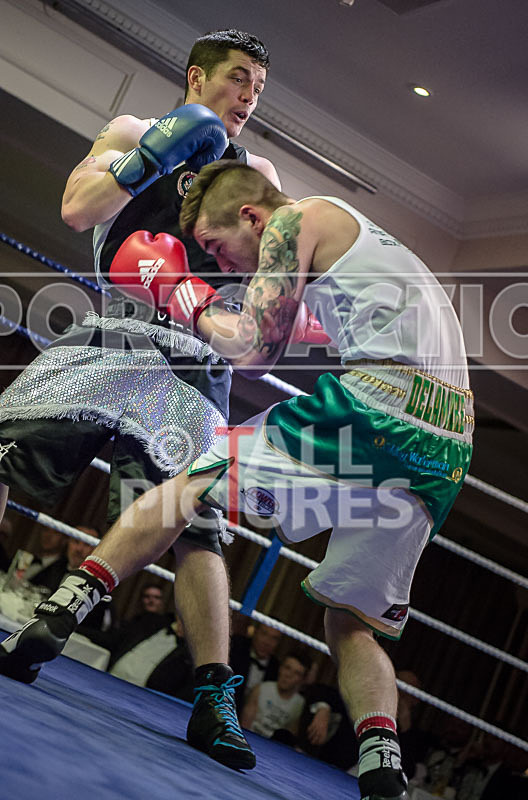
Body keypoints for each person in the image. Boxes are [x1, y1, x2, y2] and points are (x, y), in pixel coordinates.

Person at [0, 159, 474, 800]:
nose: (230, 264)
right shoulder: (362, 239)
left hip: (381, 408)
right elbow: (301, 323)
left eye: (221, 247)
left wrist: (180, 294)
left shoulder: (293, 218)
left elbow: (254, 349)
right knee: (351, 621)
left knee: (191, 482)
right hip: (446, 448)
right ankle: (382, 760)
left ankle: (60, 613)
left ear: (251, 216)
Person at [0, 30, 281, 771]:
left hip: (193, 358)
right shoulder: (131, 130)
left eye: (259, 87)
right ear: (197, 77)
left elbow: (268, 281)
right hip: (117, 331)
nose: (250, 97)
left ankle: (214, 696)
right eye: (239, 79)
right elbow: (77, 211)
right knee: (6, 446)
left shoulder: (259, 171)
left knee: (199, 530)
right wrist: (154, 155)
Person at [108, 612, 194, 702]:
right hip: (108, 678)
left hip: (138, 700)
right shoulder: (150, 622)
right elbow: (113, 640)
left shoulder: (192, 656)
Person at [240, 651, 309, 741]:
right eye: (287, 668)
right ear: (280, 668)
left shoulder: (300, 704)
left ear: (302, 680)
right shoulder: (261, 689)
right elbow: (244, 727)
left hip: (275, 749)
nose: (288, 675)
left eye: (296, 673)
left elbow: (289, 739)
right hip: (251, 741)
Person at [230, 621, 281, 713]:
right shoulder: (236, 646)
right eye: (264, 634)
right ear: (255, 632)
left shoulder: (276, 667)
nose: (267, 642)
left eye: (274, 638)